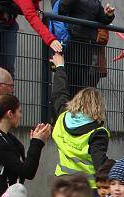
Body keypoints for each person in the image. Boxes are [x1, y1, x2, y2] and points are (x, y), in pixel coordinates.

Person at [49, 53, 111, 189]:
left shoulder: (62, 117)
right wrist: (118, 166)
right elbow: (100, 163)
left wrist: (60, 67)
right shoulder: (98, 133)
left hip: (62, 183)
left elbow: (59, 93)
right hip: (87, 189)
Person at [0, 0, 63, 76]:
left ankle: (7, 96)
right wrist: (50, 39)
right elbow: (31, 15)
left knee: (8, 68)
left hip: (8, 22)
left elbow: (32, 5)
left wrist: (36, 8)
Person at [58, 0, 115, 93]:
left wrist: (109, 15)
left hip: (89, 43)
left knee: (82, 79)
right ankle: (69, 103)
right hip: (74, 40)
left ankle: (77, 103)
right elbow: (62, 9)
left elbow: (102, 19)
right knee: (71, 77)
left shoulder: (95, 2)